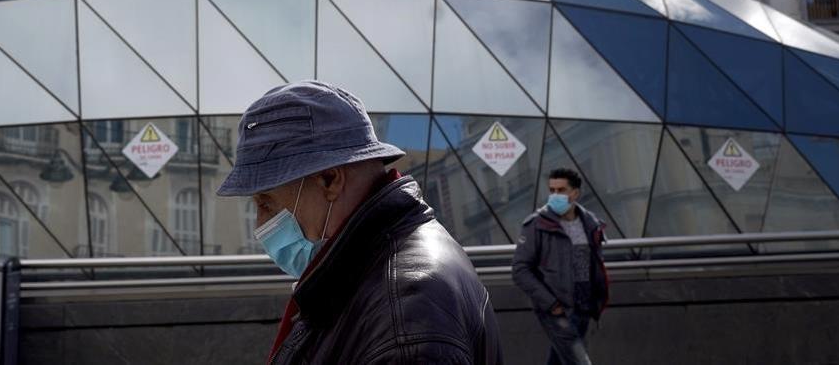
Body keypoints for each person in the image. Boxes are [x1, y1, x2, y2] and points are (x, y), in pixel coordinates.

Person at [217, 80, 503, 364]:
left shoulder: (403, 314)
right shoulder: (373, 271)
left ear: (330, 179)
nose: (260, 224)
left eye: (266, 203)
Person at [511, 168, 610, 365]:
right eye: (552, 190)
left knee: (560, 360)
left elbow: (595, 263)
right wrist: (551, 304)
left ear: (575, 193)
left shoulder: (590, 222)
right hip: (557, 310)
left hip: (584, 306)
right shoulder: (537, 224)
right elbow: (520, 269)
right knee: (579, 361)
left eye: (561, 190)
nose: (555, 196)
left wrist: (596, 298)